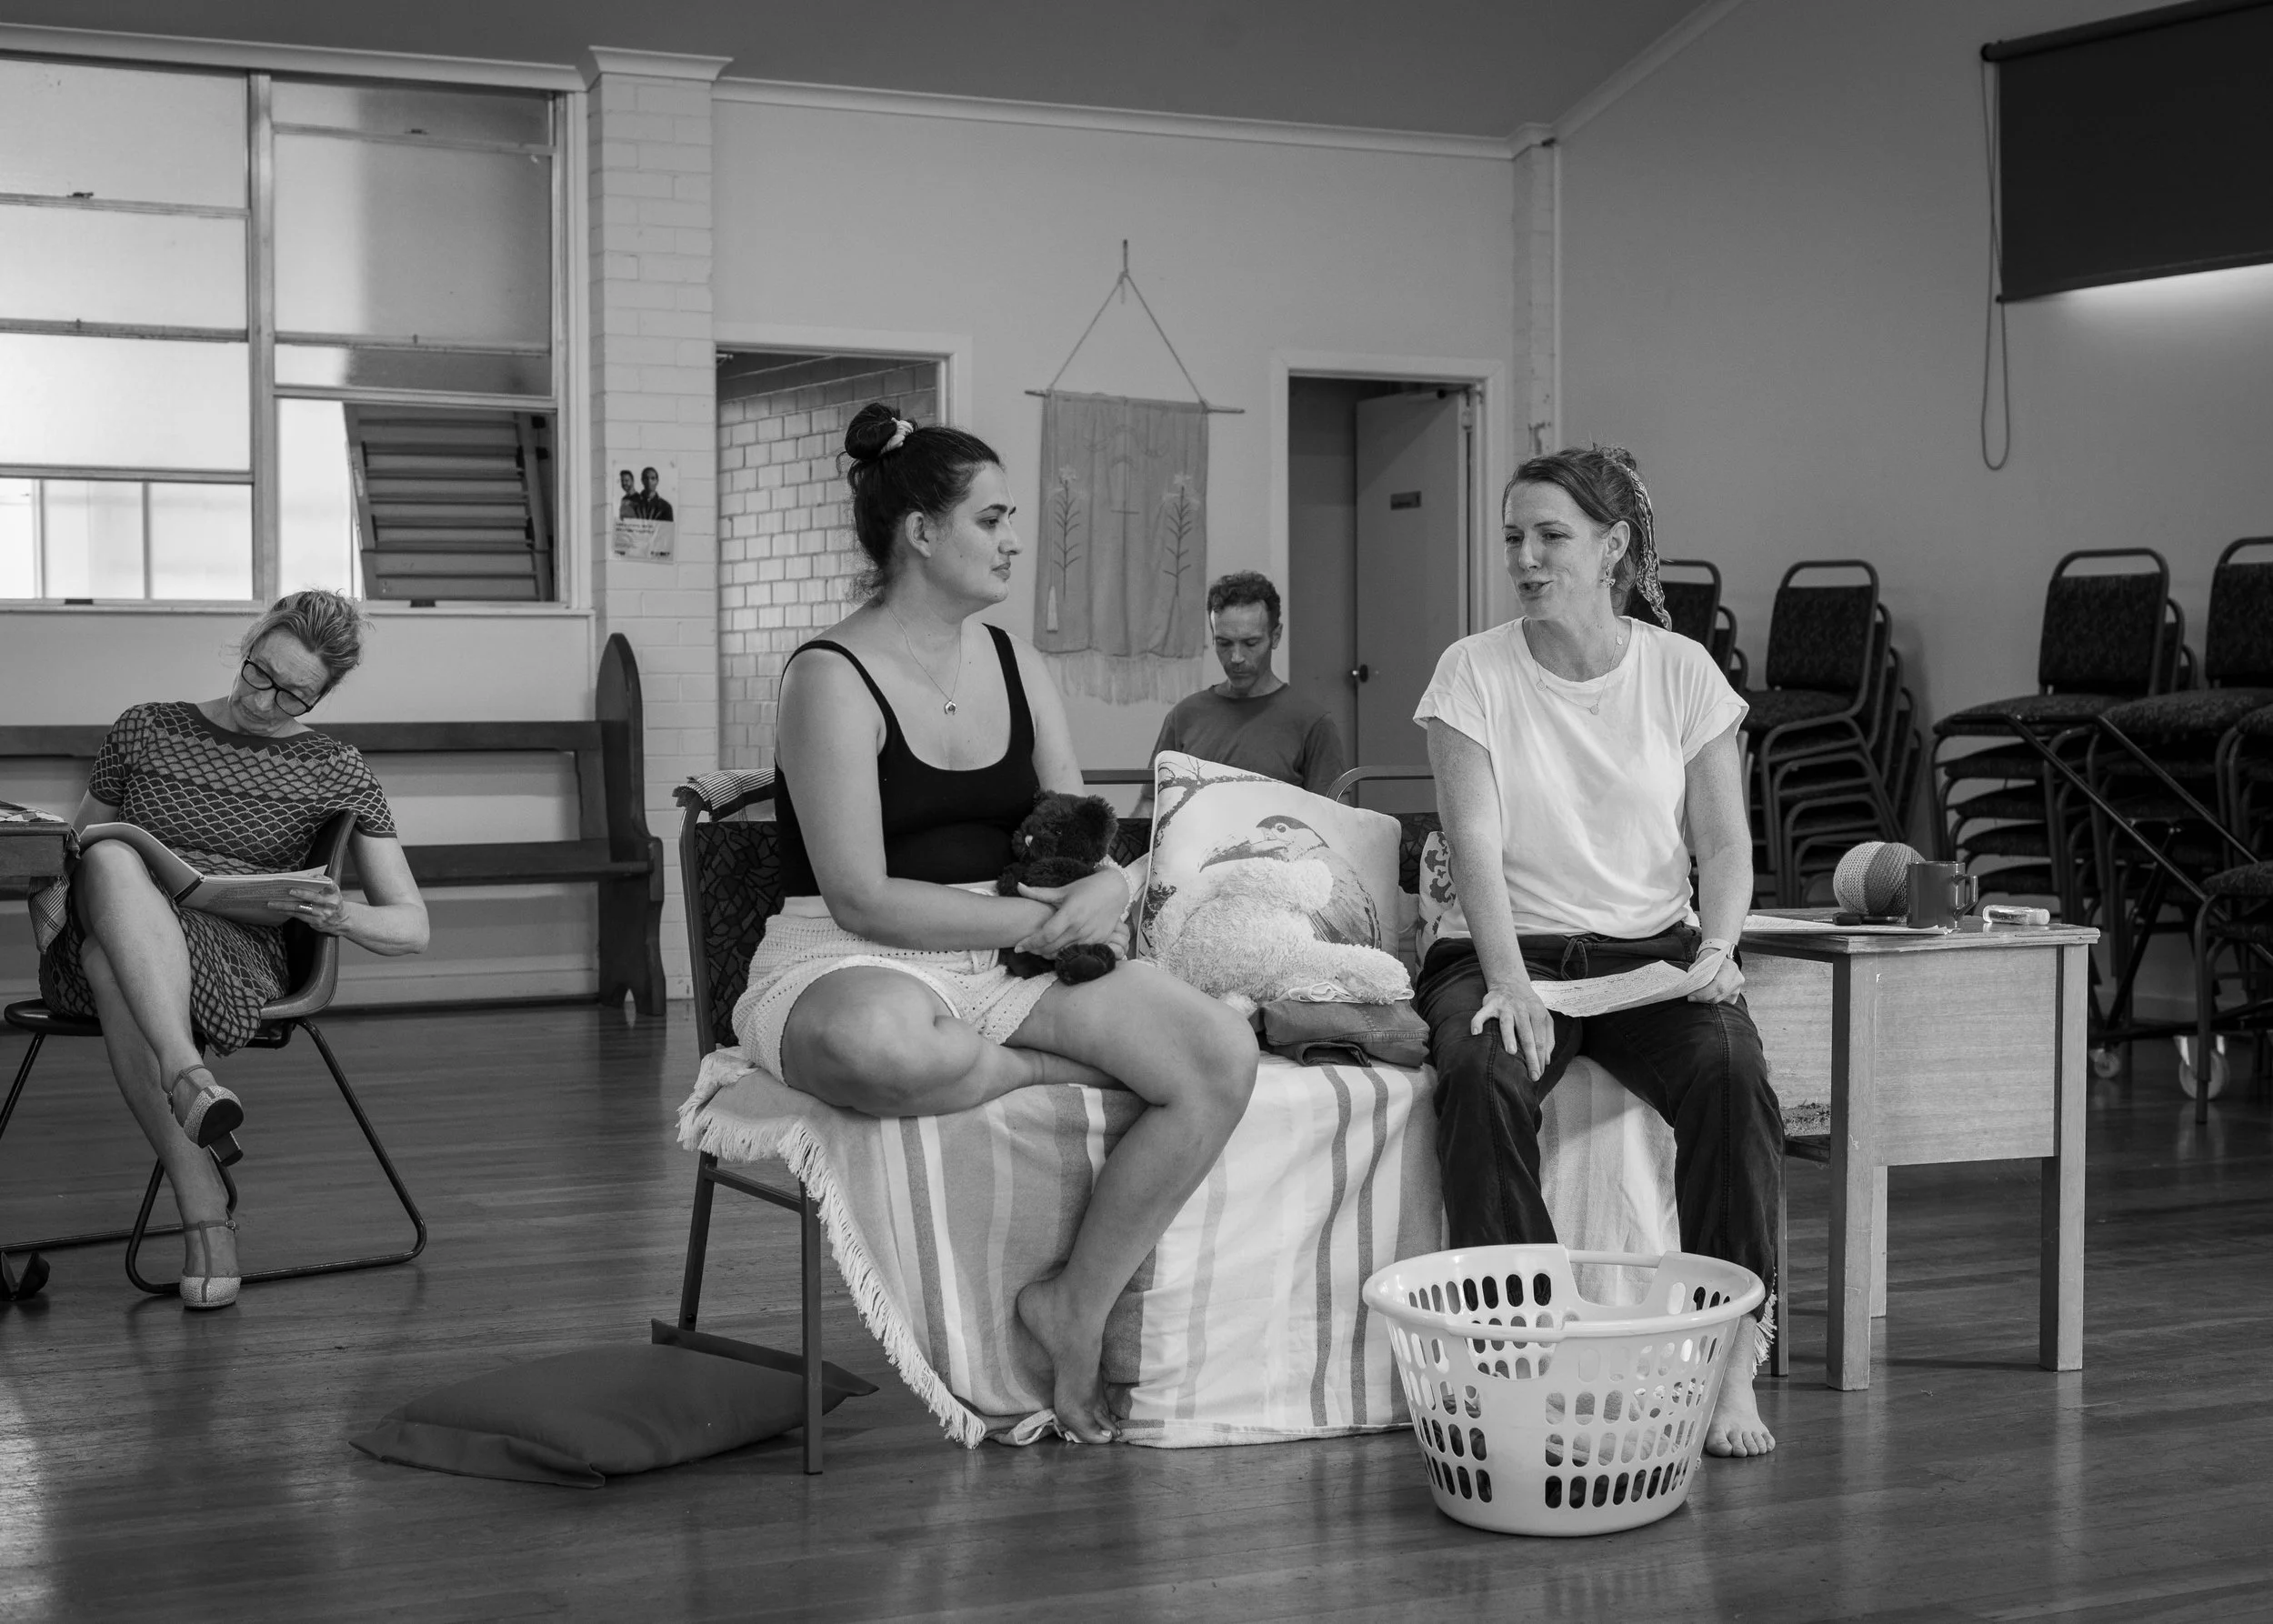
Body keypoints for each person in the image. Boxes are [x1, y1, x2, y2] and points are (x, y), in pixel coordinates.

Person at [736, 403, 1257, 1442]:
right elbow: (861, 895)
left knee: (1218, 1055)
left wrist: (1105, 884)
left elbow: (1073, 829)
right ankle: (1033, 1067)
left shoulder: (1020, 663)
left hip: (1015, 942)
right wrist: (1033, 915)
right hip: (854, 951)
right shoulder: (825, 676)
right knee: (872, 1044)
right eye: (992, 516)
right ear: (921, 533)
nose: (1014, 538)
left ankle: (1074, 1305)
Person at [1412, 446, 1782, 1459]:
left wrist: (1717, 946)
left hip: (1648, 953)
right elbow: (1473, 844)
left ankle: (1732, 1361)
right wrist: (1507, 981)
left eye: (1550, 537)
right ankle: (1527, 1356)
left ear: (1613, 548)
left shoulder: (1679, 671)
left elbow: (1722, 843)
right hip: (1502, 947)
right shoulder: (1471, 670)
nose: (1525, 559)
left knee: (1731, 1071)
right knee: (1483, 1077)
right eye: (1512, 539)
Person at [37, 591, 429, 1309]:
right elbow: (80, 845)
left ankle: (204, 1209)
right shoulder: (146, 728)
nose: (264, 701)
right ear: (248, 644)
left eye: (293, 696)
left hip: (235, 956)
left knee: (110, 965)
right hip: (112, 929)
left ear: (322, 695)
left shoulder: (333, 765)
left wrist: (341, 915)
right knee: (113, 862)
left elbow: (412, 925)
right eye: (260, 674)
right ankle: (190, 1090)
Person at [1132, 571, 1346, 817]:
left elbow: (1335, 822)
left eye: (1250, 643)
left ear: (1275, 637)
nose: (1236, 658)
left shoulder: (1311, 723)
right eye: (1223, 644)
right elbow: (1150, 808)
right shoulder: (1185, 716)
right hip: (1194, 852)